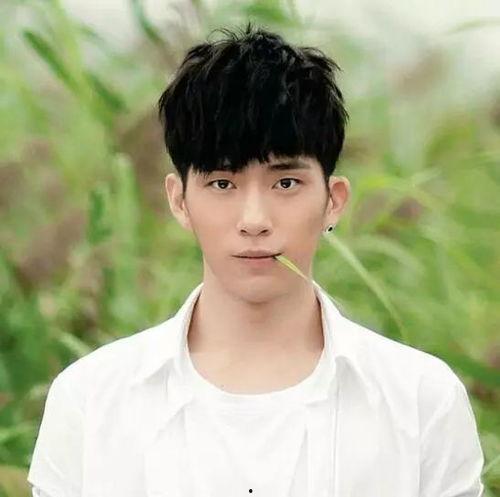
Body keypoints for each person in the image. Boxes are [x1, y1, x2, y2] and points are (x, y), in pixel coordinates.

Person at [27, 22, 485, 496]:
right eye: (222, 183)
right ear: (179, 201)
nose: (254, 220)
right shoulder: (92, 401)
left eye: (285, 183)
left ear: (333, 201)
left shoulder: (420, 401)